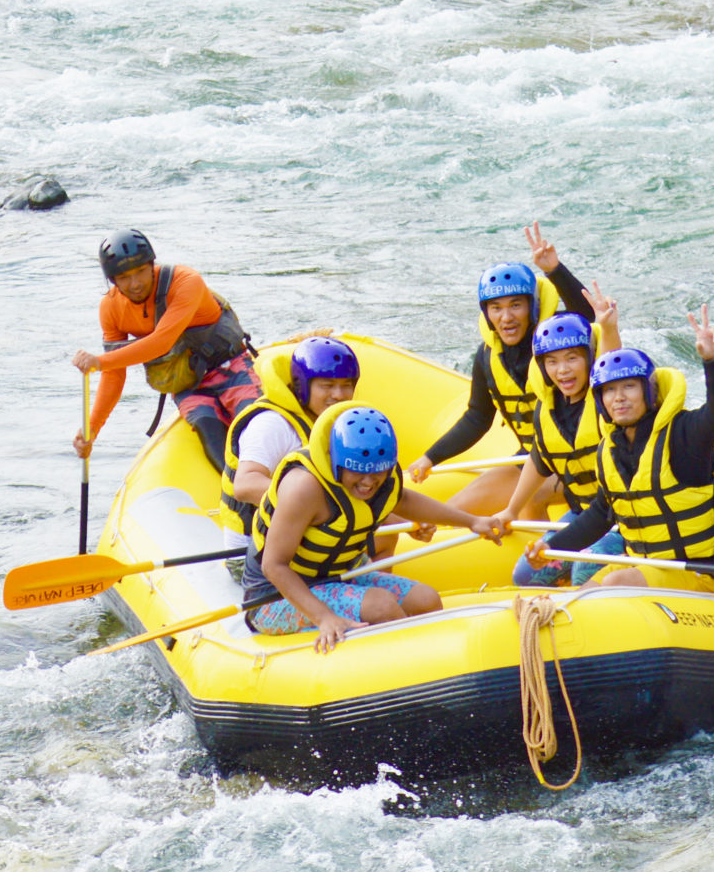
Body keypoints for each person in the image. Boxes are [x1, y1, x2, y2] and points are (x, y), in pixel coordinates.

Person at [244, 405, 509, 653]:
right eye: (358, 472)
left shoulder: (381, 474)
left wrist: (472, 521)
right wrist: (324, 617)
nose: (369, 483)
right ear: (336, 461)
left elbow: (402, 499)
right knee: (381, 607)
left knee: (426, 599)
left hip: (339, 575)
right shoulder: (303, 488)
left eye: (377, 473)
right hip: (274, 597)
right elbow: (273, 565)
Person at [525, 307, 714, 590]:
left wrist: (712, 361)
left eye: (629, 387)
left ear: (649, 393)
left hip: (694, 573)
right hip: (644, 565)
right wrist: (551, 545)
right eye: (609, 391)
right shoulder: (611, 448)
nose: (619, 398)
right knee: (581, 595)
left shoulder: (684, 434)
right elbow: (601, 513)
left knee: (616, 581)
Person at [406, 222, 601, 514]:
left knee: (530, 497)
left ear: (532, 307)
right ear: (486, 313)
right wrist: (430, 458)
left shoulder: (557, 341)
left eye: (515, 306)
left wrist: (554, 270)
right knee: (452, 511)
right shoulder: (487, 357)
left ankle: (541, 557)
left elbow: (590, 316)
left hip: (581, 459)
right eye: (496, 308)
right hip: (535, 458)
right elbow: (477, 418)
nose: (506, 317)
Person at [70, 230, 255, 470]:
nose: (135, 283)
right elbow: (115, 374)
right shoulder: (111, 308)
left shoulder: (185, 281)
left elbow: (161, 342)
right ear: (112, 280)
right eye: (124, 277)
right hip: (189, 385)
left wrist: (100, 361)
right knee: (213, 445)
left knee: (256, 427)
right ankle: (238, 496)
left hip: (232, 368)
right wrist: (91, 428)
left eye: (140, 271)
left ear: (152, 265)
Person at [503, 298, 628, 587]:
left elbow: (613, 363)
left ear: (589, 358)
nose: (563, 371)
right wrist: (511, 509)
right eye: (552, 361)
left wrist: (608, 328)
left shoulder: (606, 398)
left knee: (585, 569)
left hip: (624, 517)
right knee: (525, 574)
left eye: (572, 358)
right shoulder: (548, 408)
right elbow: (540, 459)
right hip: (585, 514)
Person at [219, 336, 361, 523]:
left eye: (346, 386)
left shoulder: (336, 421)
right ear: (302, 387)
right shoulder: (272, 424)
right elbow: (245, 485)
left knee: (385, 537)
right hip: (257, 536)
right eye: (327, 386)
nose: (339, 395)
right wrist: (316, 503)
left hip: (305, 525)